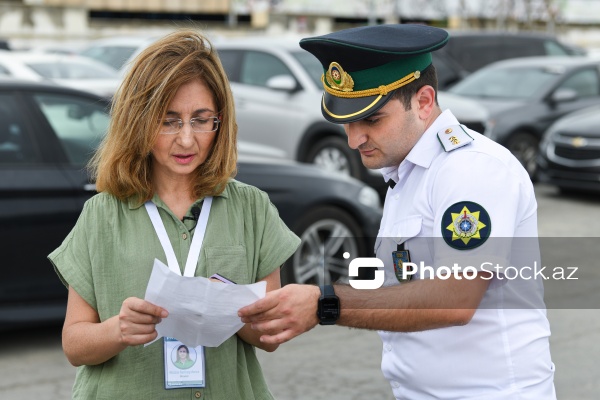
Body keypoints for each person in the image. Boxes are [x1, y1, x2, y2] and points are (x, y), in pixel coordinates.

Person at [238, 24, 556, 399]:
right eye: (347, 122)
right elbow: (403, 281)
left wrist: (325, 302)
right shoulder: (407, 171)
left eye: (371, 120)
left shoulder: (470, 169)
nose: (354, 139)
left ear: (423, 101)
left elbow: (454, 299)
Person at [48, 29, 300, 399]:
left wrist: (231, 306)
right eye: (168, 121)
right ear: (139, 121)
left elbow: (269, 339)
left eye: (201, 120)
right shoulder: (101, 215)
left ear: (220, 121)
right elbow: (74, 344)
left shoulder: (253, 208)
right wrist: (119, 329)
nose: (186, 139)